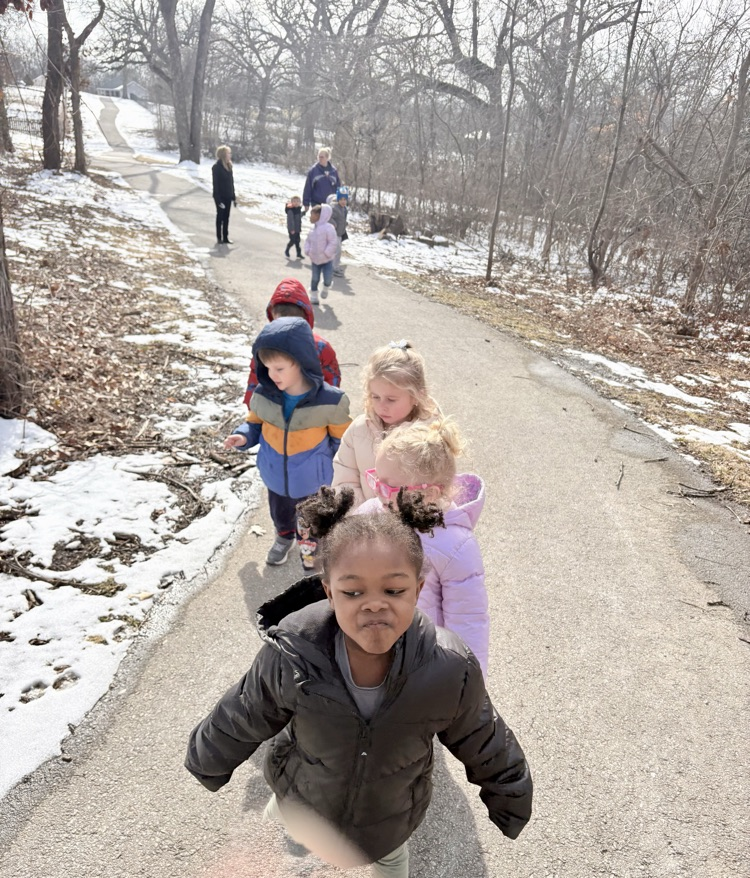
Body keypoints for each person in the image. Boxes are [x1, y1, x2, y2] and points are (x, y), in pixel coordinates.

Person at [185, 487, 533, 878]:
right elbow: (246, 710)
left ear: (418, 590)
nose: (373, 604)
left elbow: (483, 737)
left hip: (389, 817)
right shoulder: (294, 654)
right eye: (353, 592)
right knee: (282, 835)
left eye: (394, 590)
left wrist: (510, 796)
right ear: (329, 593)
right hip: (303, 796)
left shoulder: (448, 667)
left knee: (389, 861)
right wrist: (208, 758)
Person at [356, 419, 490, 677]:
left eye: (388, 487)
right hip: (372, 645)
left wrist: (469, 682)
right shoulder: (371, 514)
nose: (378, 493)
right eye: (375, 481)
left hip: (423, 659)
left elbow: (468, 620)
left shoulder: (455, 546)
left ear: (428, 494)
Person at [224, 317, 350, 567]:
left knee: (311, 521)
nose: (272, 375)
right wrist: (243, 436)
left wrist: (343, 476)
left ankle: (312, 554)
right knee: (280, 514)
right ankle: (283, 537)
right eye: (267, 368)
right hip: (275, 476)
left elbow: (342, 442)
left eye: (279, 369)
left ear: (301, 362)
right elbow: (255, 423)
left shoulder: (330, 401)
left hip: (312, 480)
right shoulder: (264, 394)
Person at [332, 340, 441, 506]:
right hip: (366, 525)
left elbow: (441, 486)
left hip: (414, 526)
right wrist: (363, 515)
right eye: (375, 397)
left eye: (391, 399)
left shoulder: (432, 436)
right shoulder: (358, 430)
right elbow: (344, 478)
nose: (381, 406)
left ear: (416, 396)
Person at [243, 278, 341, 409]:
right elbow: (256, 374)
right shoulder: (267, 345)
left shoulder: (319, 347)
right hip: (278, 410)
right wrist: (252, 406)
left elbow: (331, 380)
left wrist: (329, 408)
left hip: (307, 412)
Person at [304, 203, 337, 305]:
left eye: (312, 215)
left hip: (327, 259)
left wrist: (327, 253)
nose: (310, 217)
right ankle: (314, 295)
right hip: (315, 260)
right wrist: (308, 250)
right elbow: (308, 241)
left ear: (319, 216)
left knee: (328, 278)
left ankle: (326, 287)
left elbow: (333, 242)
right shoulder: (312, 229)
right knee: (315, 278)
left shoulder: (329, 228)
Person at [212, 145, 236, 245]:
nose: (230, 155)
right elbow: (215, 184)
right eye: (228, 153)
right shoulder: (216, 167)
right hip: (220, 197)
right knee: (220, 217)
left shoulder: (229, 166)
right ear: (223, 155)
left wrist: (233, 196)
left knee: (226, 217)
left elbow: (231, 182)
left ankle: (225, 237)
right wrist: (218, 199)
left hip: (228, 196)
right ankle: (219, 237)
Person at [328, 186, 349, 276]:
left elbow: (342, 218)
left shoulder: (344, 209)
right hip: (334, 233)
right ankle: (332, 268)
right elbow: (328, 217)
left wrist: (345, 223)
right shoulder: (334, 208)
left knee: (338, 251)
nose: (343, 201)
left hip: (340, 233)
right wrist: (334, 224)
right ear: (338, 199)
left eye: (345, 199)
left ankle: (335, 266)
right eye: (341, 199)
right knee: (337, 251)